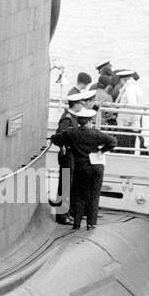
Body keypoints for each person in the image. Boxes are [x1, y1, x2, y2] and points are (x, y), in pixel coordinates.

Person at [50, 107, 117, 230]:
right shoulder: (96, 133)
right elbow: (113, 141)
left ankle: (77, 223)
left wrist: (63, 145)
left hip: (80, 167)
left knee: (79, 194)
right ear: (90, 121)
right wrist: (101, 151)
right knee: (94, 195)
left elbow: (55, 138)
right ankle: (91, 223)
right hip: (96, 168)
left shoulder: (72, 133)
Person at [52, 89, 95, 223]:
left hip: (72, 155)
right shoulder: (67, 118)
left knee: (69, 184)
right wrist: (63, 146)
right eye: (81, 103)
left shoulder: (74, 118)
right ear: (76, 104)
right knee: (65, 184)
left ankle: (67, 212)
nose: (82, 106)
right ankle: (61, 215)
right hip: (67, 156)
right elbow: (59, 135)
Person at [113, 68, 144, 152]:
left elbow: (132, 105)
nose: (120, 83)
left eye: (121, 81)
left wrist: (130, 121)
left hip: (126, 125)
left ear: (125, 80)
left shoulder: (130, 89)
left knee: (123, 148)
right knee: (128, 147)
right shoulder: (134, 88)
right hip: (129, 124)